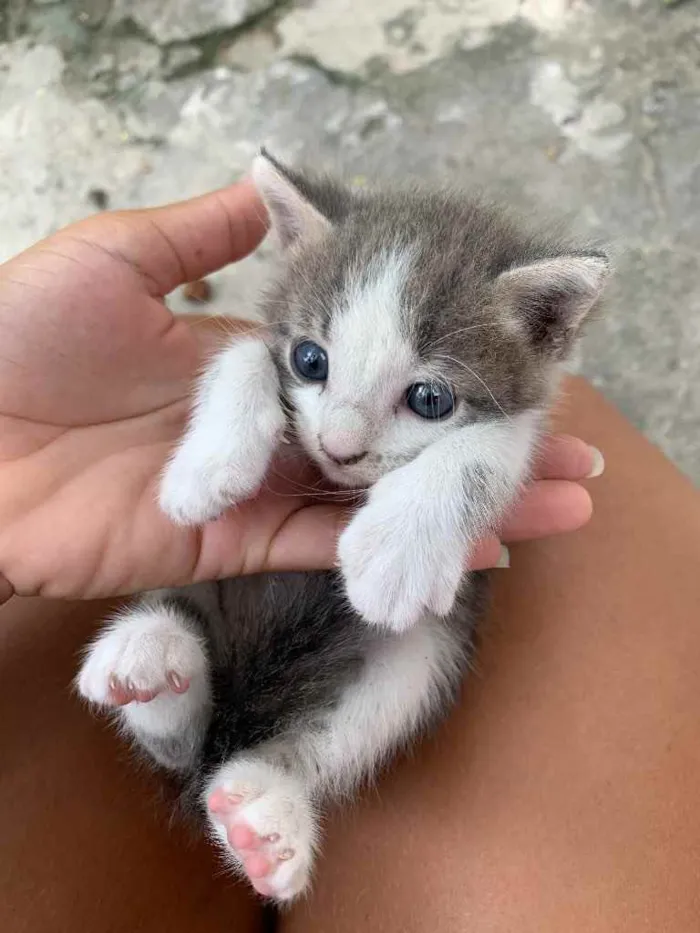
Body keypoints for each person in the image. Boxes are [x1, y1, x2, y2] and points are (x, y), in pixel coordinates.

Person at [0, 181, 697, 932]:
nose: (339, 440)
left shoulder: (502, 397)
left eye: (427, 399)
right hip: (229, 595)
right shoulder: (278, 365)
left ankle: (287, 768)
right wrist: (236, 408)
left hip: (362, 649)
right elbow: (254, 356)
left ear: (546, 323)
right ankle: (177, 711)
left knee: (429, 644)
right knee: (200, 510)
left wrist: (446, 486)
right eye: (313, 361)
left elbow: (505, 429)